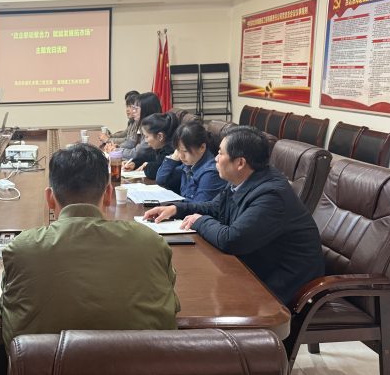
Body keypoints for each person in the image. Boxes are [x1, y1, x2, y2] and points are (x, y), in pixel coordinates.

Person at [0, 143, 179, 348]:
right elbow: (169, 303)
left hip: (45, 369)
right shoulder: (150, 242)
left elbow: (7, 310)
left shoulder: (22, 249)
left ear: (49, 198)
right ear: (108, 194)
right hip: (140, 367)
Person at [143, 126, 324, 305]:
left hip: (284, 285)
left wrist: (200, 221)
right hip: (254, 267)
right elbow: (215, 207)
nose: (215, 158)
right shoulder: (244, 179)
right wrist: (177, 209)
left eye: (220, 153)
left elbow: (232, 239)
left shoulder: (271, 195)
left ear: (240, 163)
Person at [155, 120, 227, 202]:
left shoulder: (210, 173)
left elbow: (198, 205)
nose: (181, 156)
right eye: (178, 150)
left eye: (185, 151)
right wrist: (173, 158)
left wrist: (175, 207)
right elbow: (161, 180)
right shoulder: (189, 164)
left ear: (202, 148)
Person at [104, 91, 161, 159]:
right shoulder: (142, 124)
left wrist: (115, 150)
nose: (133, 111)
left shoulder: (153, 128)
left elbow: (137, 153)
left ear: (146, 110)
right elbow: (131, 142)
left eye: (136, 108)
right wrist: (117, 147)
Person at [123, 111, 178, 180]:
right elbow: (148, 157)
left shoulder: (170, 151)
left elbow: (156, 171)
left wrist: (148, 166)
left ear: (160, 136)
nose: (145, 141)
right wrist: (134, 163)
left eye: (146, 136)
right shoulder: (159, 148)